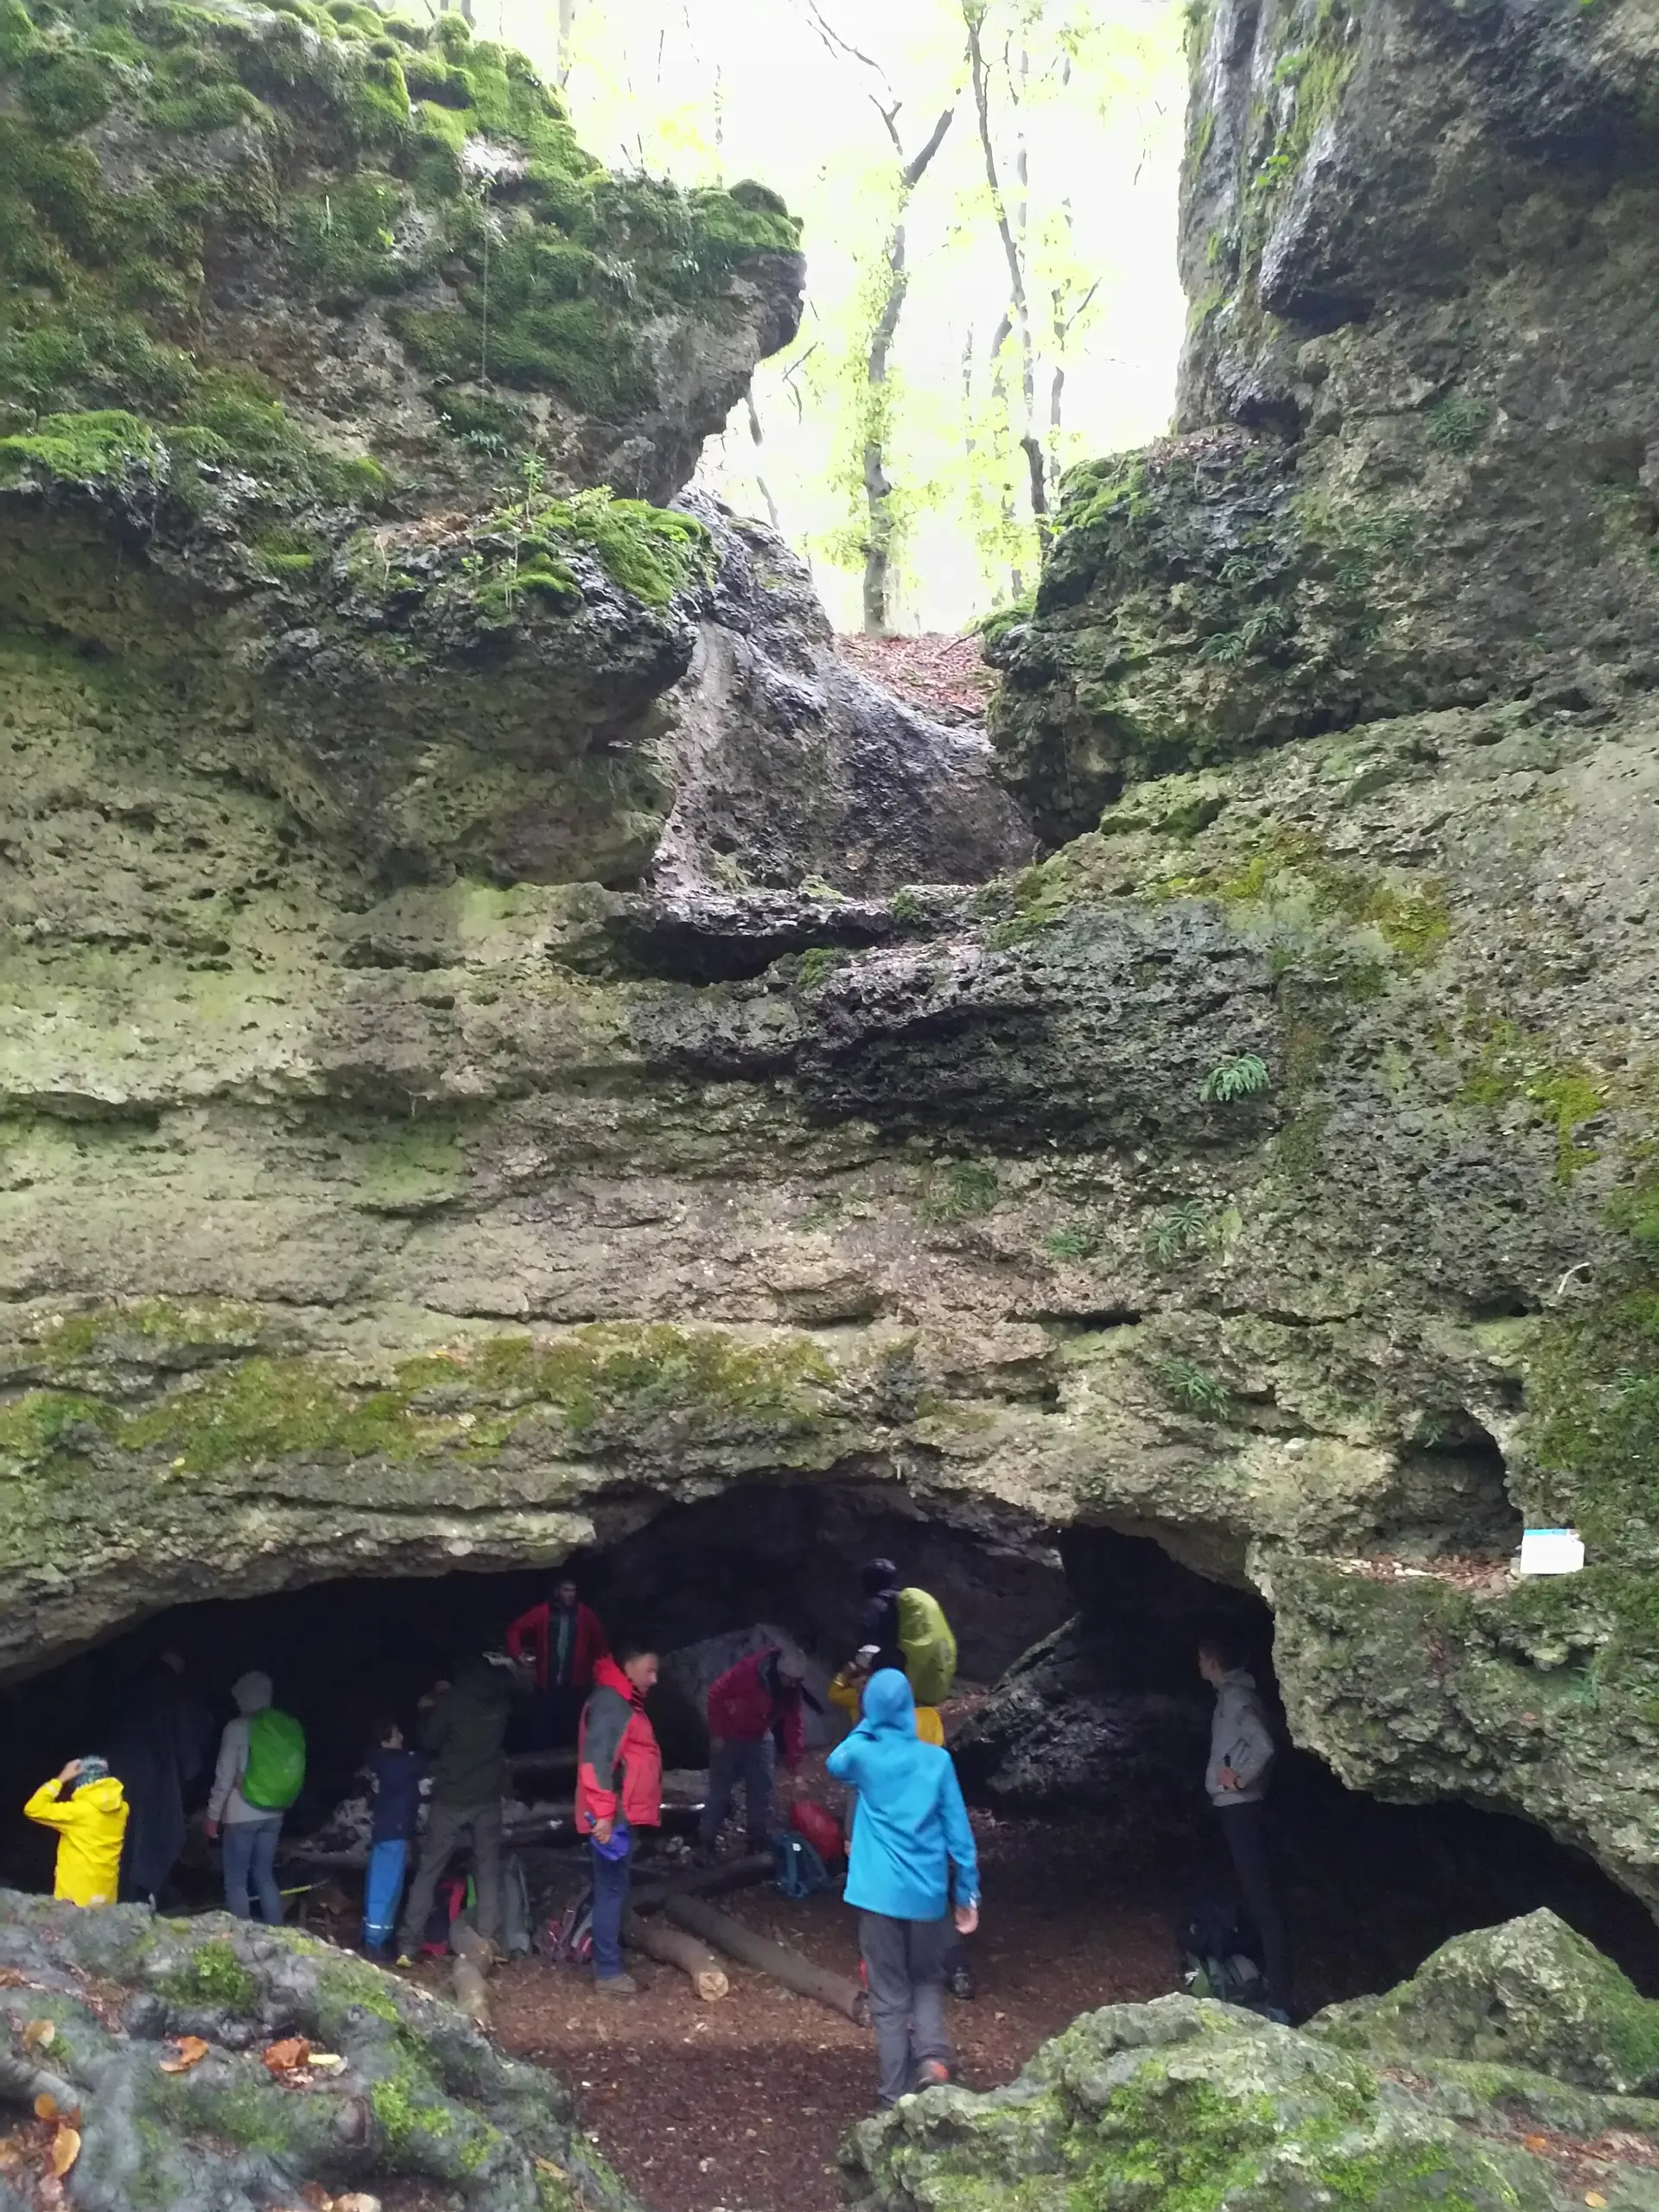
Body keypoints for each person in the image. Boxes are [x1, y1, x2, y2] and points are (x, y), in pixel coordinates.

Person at [827, 1668, 980, 2108]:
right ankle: (932, 2063)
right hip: (926, 1894)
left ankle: (894, 2097)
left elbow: (836, 1761)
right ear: (910, 1709)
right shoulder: (937, 1762)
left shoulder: (867, 1759)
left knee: (889, 1996)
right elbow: (960, 1835)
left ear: (873, 1711)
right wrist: (966, 1894)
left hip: (876, 1896)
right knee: (928, 1979)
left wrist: (870, 1720)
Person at [396, 1653, 514, 1964]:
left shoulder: (453, 1701)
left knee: (429, 1870)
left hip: (450, 1798)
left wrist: (427, 1710)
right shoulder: (500, 1701)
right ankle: (488, 1940)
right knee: (488, 1870)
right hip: (487, 1797)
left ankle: (408, 1944)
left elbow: (430, 1741)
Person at [1199, 1628, 1291, 2023]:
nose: (1198, 1665)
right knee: (1252, 1895)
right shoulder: (1229, 1696)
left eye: (1202, 1658)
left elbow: (1264, 1746)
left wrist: (1239, 1779)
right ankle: (1260, 1982)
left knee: (1262, 1900)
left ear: (1214, 1661)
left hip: (1242, 1807)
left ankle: (1281, 2003)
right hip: (1234, 1806)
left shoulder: (1236, 1698)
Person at [575, 1638, 663, 1996]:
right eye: (650, 1670)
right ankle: (608, 1971)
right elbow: (596, 1765)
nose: (655, 1679)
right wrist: (604, 1817)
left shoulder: (621, 1699)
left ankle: (608, 1961)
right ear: (629, 1665)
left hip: (620, 1813)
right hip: (613, 1818)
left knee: (613, 1887)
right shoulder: (613, 1705)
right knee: (611, 1889)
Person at [696, 1643, 811, 1860]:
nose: (791, 1684)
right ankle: (706, 1842)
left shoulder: (791, 1690)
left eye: (796, 1681)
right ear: (779, 1670)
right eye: (789, 1679)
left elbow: (794, 1724)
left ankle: (758, 1839)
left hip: (759, 1734)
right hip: (730, 1733)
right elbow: (716, 1693)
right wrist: (717, 1733)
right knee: (720, 1790)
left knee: (763, 1788)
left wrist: (795, 1767)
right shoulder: (748, 1671)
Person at [206, 1670, 292, 1924]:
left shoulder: (237, 1728)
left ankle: (242, 1939)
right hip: (275, 1813)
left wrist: (212, 1815)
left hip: (241, 1814)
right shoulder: (281, 1727)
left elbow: (224, 1776)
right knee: (265, 1875)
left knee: (236, 1880)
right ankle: (278, 1932)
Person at [505, 1576, 609, 1746]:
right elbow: (515, 1629)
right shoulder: (543, 1612)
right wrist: (518, 1655)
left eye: (573, 1590)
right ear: (557, 1592)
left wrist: (603, 1673)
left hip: (575, 1686)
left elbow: (600, 1642)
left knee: (571, 1730)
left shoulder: (584, 1614)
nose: (570, 1594)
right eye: (566, 1590)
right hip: (547, 1685)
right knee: (542, 1730)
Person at [24, 1758, 129, 1908]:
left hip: (75, 1897)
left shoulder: (78, 1812)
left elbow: (33, 1808)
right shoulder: (122, 1809)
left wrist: (61, 1779)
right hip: (106, 1893)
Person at [361, 1715, 425, 1957]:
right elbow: (421, 1763)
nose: (401, 1737)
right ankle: (374, 1944)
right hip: (394, 1831)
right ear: (385, 1740)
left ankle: (374, 1938)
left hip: (386, 1830)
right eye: (396, 1734)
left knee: (380, 1885)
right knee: (386, 1889)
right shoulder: (398, 1763)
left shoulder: (380, 1761)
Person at [859, 1559, 903, 1673]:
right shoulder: (901, 1602)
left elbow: (867, 1642)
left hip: (880, 1669)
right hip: (901, 1667)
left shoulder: (875, 1605)